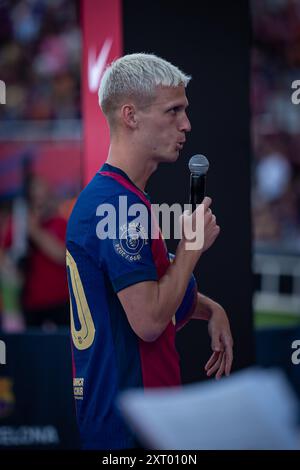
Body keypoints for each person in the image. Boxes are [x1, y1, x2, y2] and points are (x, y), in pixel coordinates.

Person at [66, 53, 233, 450]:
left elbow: (155, 287)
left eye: (185, 111)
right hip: (128, 426)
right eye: (173, 111)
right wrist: (191, 248)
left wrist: (212, 309)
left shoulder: (123, 199)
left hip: (135, 417)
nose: (186, 125)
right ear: (130, 115)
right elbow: (149, 319)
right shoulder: (116, 205)